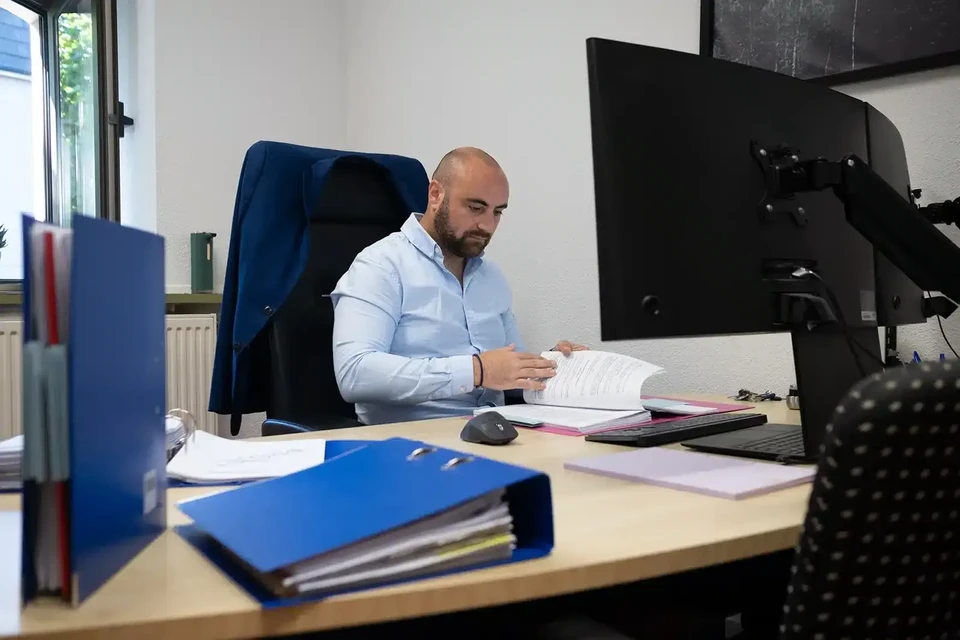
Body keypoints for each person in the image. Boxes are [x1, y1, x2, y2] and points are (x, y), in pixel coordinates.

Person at [331, 146, 587, 425]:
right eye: (476, 208)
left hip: (498, 430)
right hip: (413, 438)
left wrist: (552, 366)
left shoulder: (491, 277)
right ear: (435, 195)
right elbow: (354, 373)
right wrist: (476, 371)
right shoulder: (380, 266)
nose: (487, 225)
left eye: (497, 212)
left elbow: (509, 374)